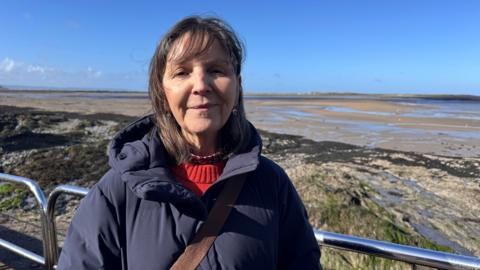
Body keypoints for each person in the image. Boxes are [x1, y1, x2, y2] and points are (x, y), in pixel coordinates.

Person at [57, 16, 322, 270]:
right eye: (182, 72)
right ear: (162, 92)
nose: (200, 85)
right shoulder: (116, 191)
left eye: (216, 70)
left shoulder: (272, 183)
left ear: (237, 85)